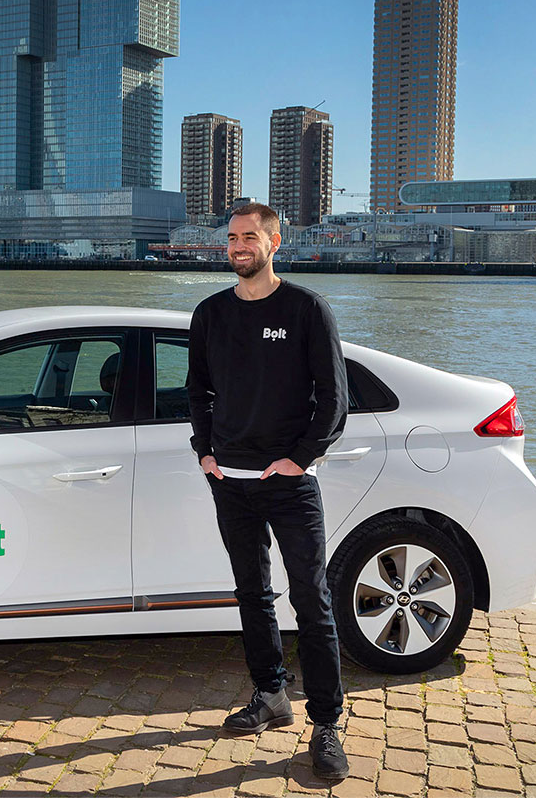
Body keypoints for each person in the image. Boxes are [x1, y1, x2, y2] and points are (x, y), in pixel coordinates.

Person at [187, 202, 350, 782]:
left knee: (311, 598)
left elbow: (334, 399)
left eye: (249, 237)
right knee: (252, 594)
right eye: (231, 238)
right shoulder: (210, 313)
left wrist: (298, 459)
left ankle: (327, 723)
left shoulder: (306, 309)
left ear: (275, 241)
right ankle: (270, 696)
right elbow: (198, 392)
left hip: (289, 484)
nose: (238, 246)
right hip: (230, 481)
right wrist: (204, 451)